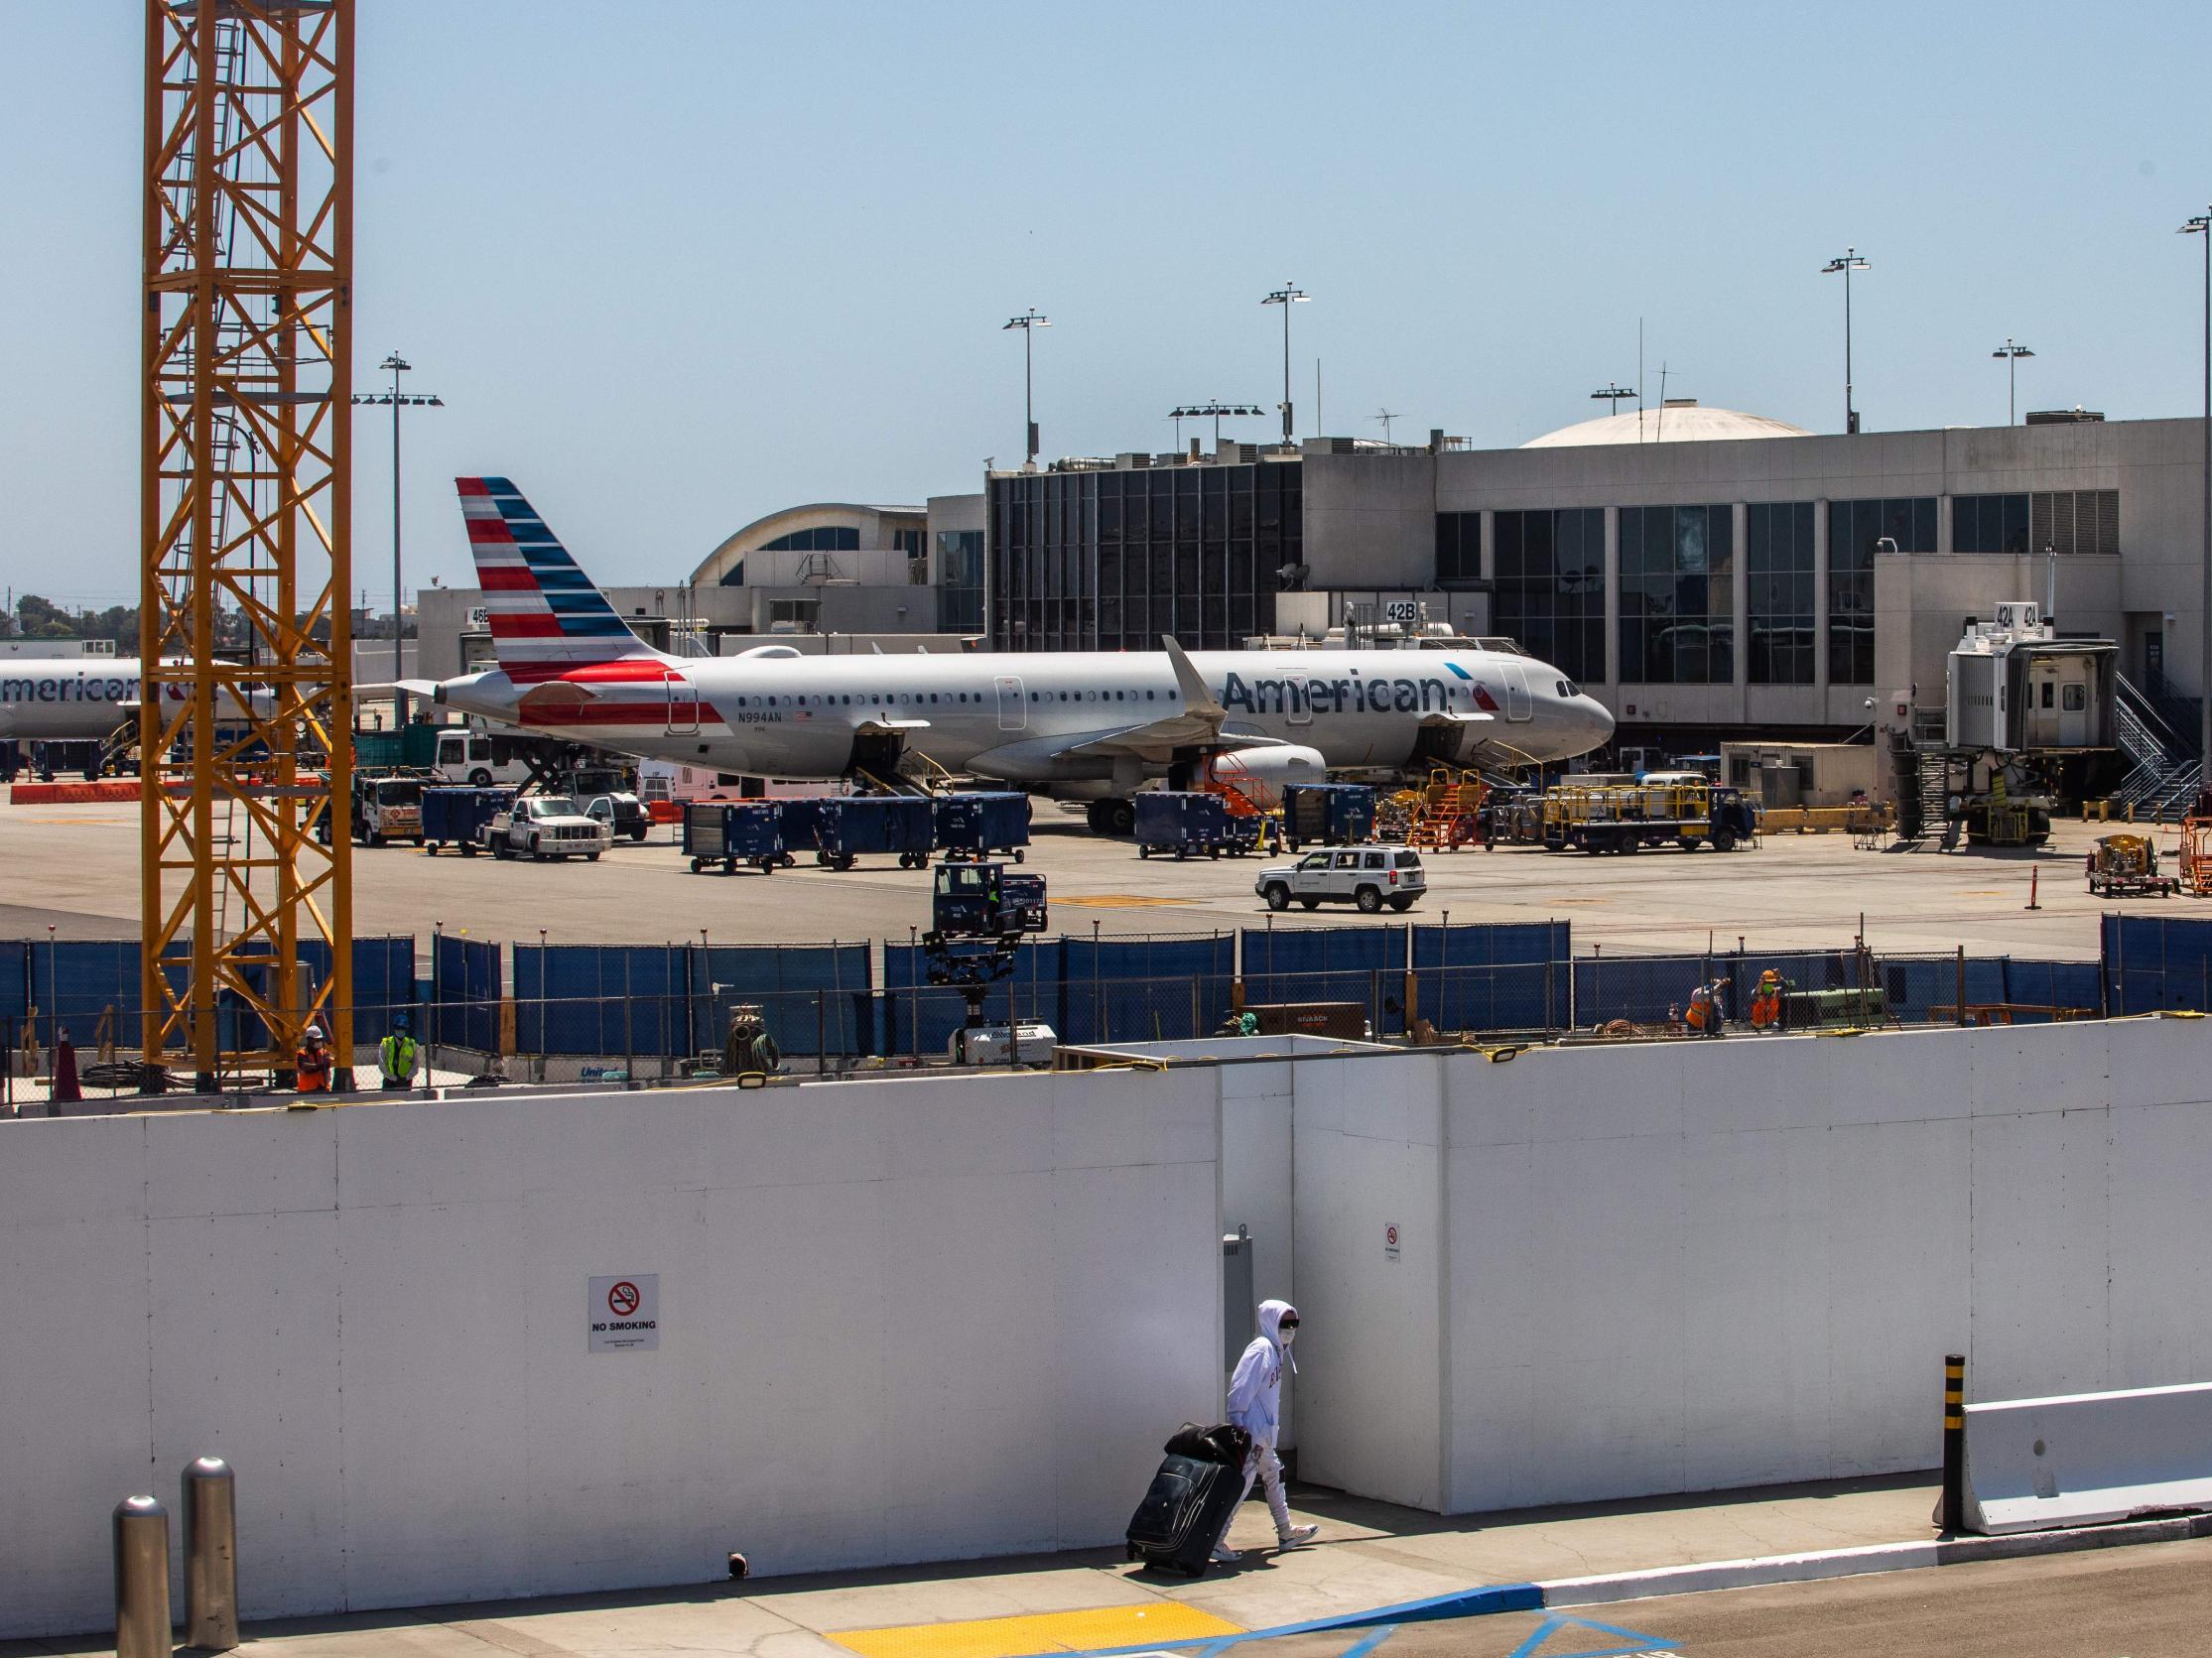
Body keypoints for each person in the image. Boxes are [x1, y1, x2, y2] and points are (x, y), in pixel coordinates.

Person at [1215, 1299, 1320, 1563]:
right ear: (1271, 1322)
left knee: (1273, 1472)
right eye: (1285, 1323)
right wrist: (1238, 1422)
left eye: (1294, 1323)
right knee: (1242, 1483)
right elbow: (1240, 1387)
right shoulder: (1261, 1349)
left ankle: (1285, 1531)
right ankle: (1215, 1538)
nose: (1290, 1329)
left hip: (1263, 1434)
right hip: (1252, 1433)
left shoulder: (1276, 1351)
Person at [378, 1012, 420, 1091]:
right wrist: (393, 1078)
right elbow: (381, 1064)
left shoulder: (411, 1044)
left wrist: (406, 1078)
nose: (400, 1030)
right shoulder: (386, 1043)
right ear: (394, 1028)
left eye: (402, 1028)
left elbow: (415, 1065)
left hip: (405, 1082)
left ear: (406, 1029)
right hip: (389, 1081)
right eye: (398, 1028)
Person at [295, 1024, 333, 1093]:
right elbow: (304, 1067)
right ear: (309, 1040)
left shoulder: (324, 1052)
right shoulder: (302, 1053)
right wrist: (320, 1066)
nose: (319, 1042)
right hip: (306, 1090)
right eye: (317, 1040)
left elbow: (326, 1065)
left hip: (323, 1088)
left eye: (320, 1039)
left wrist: (314, 1067)